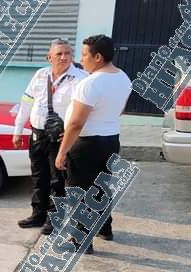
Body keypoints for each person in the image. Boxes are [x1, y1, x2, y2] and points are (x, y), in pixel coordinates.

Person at [56, 34, 132, 254]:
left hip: (87, 144)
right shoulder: (123, 78)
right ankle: (105, 228)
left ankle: (80, 241)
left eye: (84, 55)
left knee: (79, 192)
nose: (81, 60)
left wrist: (63, 152)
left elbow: (77, 122)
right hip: (110, 140)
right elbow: (120, 110)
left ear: (97, 57)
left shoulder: (90, 83)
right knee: (101, 187)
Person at [14, 38, 88, 235]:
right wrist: (18, 129)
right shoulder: (40, 75)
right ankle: (37, 215)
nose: (64, 57)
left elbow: (88, 110)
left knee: (58, 180)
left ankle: (54, 219)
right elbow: (26, 102)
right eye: (59, 54)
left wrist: (75, 132)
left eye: (68, 53)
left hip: (60, 138)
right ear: (49, 57)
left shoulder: (81, 78)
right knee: (39, 177)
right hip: (37, 135)